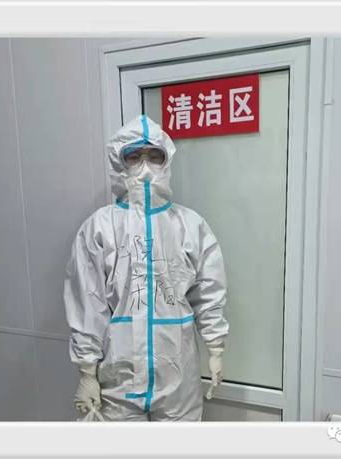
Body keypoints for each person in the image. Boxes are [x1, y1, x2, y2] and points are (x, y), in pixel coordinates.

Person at [64, 114, 229, 421]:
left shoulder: (190, 226)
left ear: (167, 161)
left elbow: (209, 292)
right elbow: (87, 302)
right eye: (134, 157)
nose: (145, 166)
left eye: (154, 156)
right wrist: (87, 369)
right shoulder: (100, 227)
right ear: (119, 162)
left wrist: (215, 346)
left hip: (178, 374)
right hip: (119, 376)